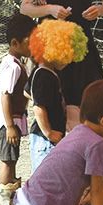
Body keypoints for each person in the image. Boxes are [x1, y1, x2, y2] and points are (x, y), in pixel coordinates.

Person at [0, 14, 35, 205]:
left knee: (12, 158)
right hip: (6, 122)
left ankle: (12, 196)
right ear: (15, 43)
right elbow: (5, 95)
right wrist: (9, 125)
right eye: (30, 41)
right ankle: (5, 202)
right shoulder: (13, 67)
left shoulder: (16, 62)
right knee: (7, 160)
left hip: (12, 120)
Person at [26, 31, 68, 171]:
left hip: (47, 136)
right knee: (45, 173)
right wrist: (48, 132)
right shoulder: (44, 76)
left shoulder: (41, 71)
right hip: (45, 138)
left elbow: (26, 92)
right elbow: (38, 107)